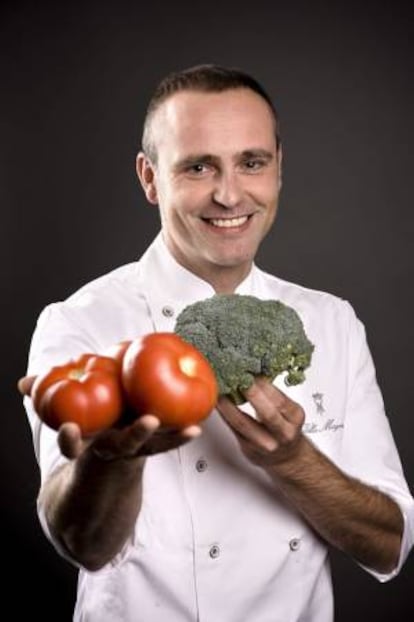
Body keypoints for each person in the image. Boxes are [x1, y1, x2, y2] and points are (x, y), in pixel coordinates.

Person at [20, 64, 414, 622]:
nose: (230, 195)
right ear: (150, 177)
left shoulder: (331, 324)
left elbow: (390, 544)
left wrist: (295, 461)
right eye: (199, 167)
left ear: (278, 169)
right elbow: (81, 543)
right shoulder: (80, 325)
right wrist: (110, 461)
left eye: (252, 163)